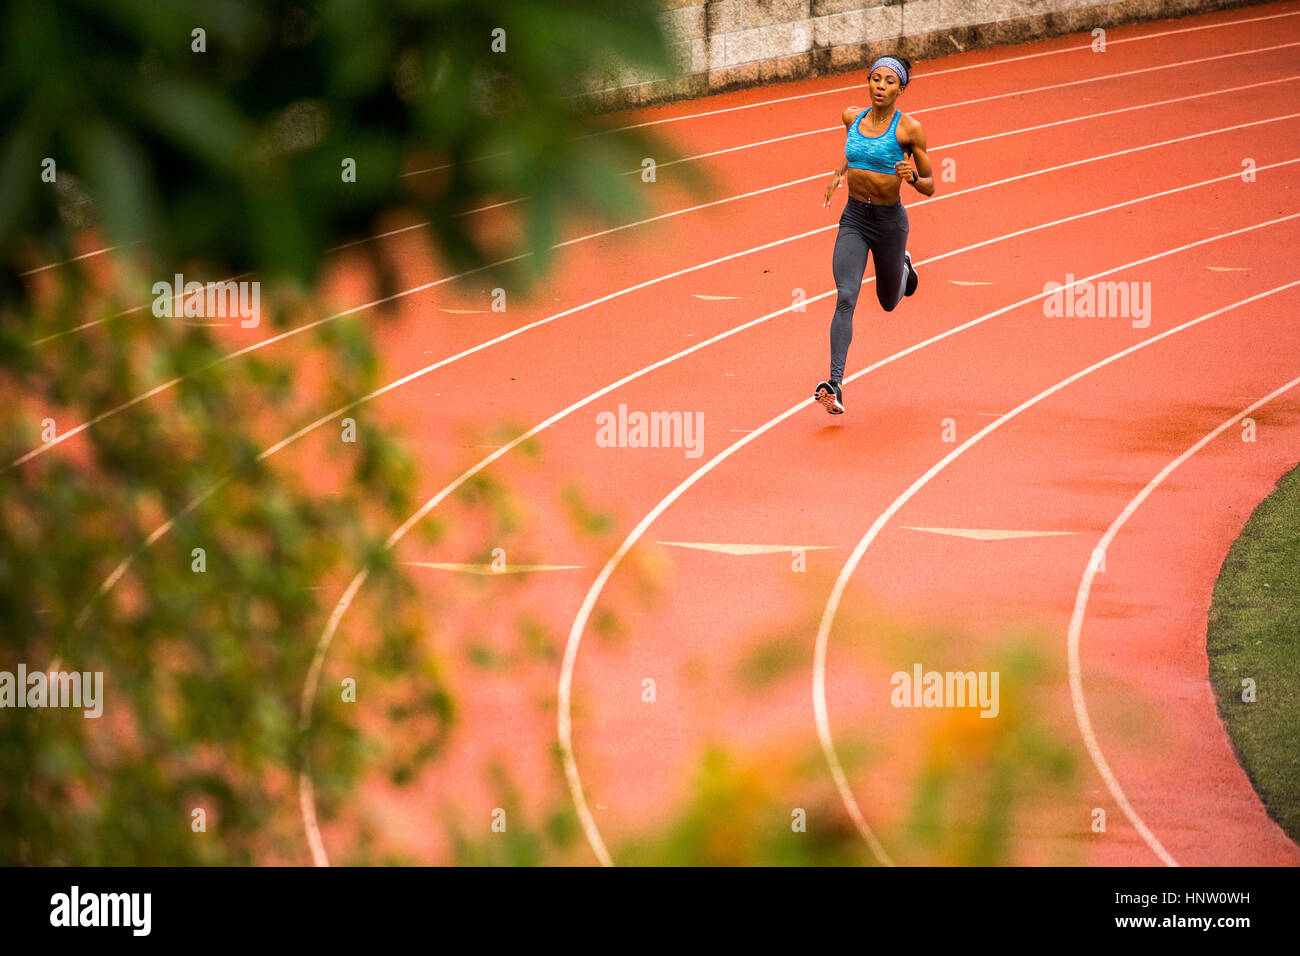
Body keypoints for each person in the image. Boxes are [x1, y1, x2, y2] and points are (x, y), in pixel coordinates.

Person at [814, 54, 935, 415]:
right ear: (867, 81)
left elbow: (930, 185)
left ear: (901, 88)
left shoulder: (909, 130)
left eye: (889, 82)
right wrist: (839, 172)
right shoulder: (852, 117)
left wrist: (913, 178)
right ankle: (835, 384)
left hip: (888, 223)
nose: (880, 86)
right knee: (846, 295)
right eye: (875, 79)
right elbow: (856, 152)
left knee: (887, 301)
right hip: (853, 217)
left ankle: (904, 269)